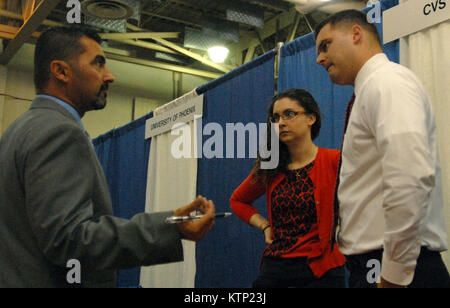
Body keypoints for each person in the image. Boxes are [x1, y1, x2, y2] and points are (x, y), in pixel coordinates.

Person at [0, 27, 215, 288]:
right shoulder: (59, 132)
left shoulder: (18, 130)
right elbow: (70, 239)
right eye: (98, 64)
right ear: (61, 71)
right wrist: (171, 228)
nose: (109, 76)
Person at [315, 10, 449, 288]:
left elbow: (409, 176)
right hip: (376, 265)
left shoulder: (386, 82)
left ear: (356, 34)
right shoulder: (371, 89)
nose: (319, 58)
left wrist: (395, 275)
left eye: (325, 45)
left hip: (393, 270)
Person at [230, 88, 346, 288]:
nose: (281, 122)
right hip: (277, 266)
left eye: (289, 114)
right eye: (275, 117)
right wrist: (264, 225)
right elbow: (238, 201)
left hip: (321, 267)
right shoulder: (271, 166)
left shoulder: (334, 160)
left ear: (311, 118)